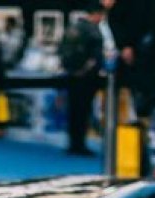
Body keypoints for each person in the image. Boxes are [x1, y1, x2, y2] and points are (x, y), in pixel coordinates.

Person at [59, 1, 105, 156]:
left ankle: (73, 142)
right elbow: (95, 57)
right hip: (86, 78)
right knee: (83, 110)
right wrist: (85, 70)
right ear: (97, 14)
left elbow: (62, 50)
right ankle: (80, 144)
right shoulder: (93, 31)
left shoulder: (73, 27)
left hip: (71, 75)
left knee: (73, 110)